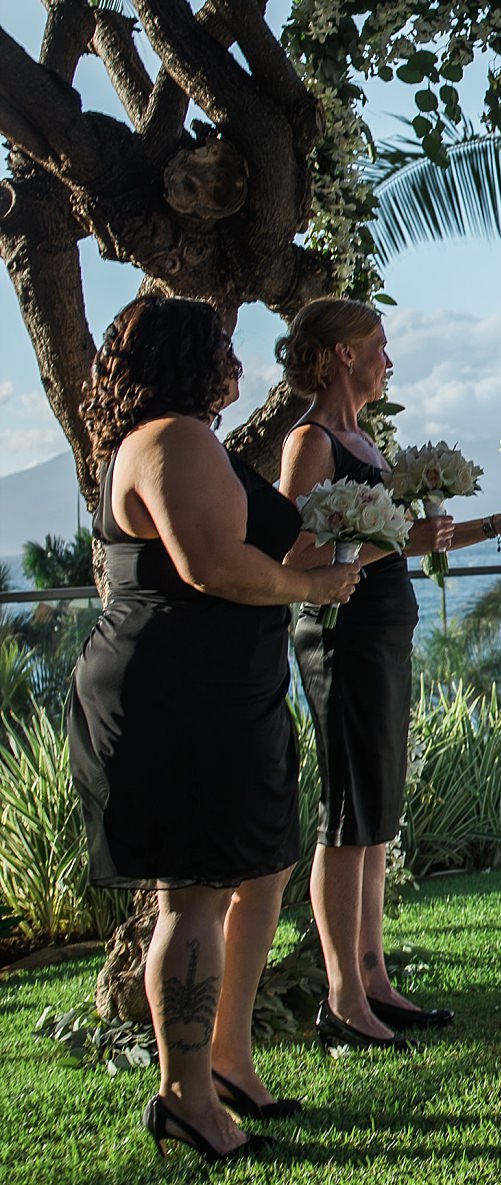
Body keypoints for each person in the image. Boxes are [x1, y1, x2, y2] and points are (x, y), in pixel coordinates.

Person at [67, 297, 360, 1161]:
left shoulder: (189, 441)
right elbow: (210, 564)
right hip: (176, 695)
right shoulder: (170, 438)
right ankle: (184, 1097)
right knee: (191, 896)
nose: (237, 363)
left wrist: (344, 543)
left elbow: (257, 547)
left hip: (227, 691)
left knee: (261, 869)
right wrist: (309, 591)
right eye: (224, 348)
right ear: (191, 355)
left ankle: (227, 1056)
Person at [277, 297, 501, 1048]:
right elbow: (292, 558)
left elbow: (410, 539)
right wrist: (389, 545)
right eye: (379, 346)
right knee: (346, 816)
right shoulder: (312, 442)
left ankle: (375, 979)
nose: (389, 360)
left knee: (375, 820)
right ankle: (342, 1000)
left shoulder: (365, 439)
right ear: (342, 355)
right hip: (339, 638)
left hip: (381, 637)